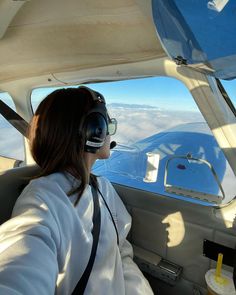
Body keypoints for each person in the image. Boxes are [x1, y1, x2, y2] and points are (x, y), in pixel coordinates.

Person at [0, 86, 154, 294]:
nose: (110, 131)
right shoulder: (42, 199)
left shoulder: (104, 188)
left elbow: (121, 251)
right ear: (94, 131)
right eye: (107, 124)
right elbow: (21, 258)